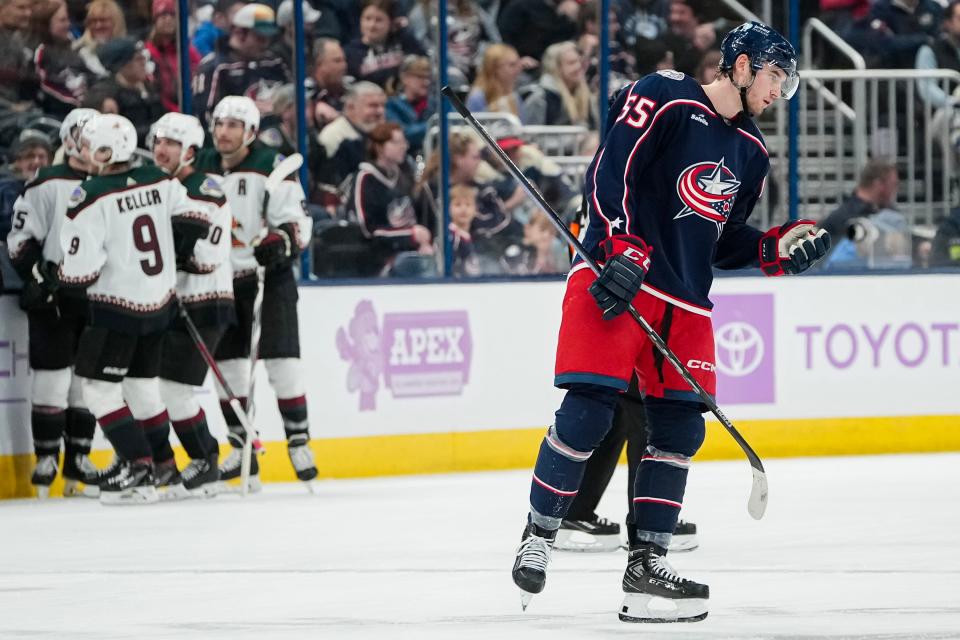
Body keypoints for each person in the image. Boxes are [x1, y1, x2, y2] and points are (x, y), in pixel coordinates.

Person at [510, 22, 830, 622]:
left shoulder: (752, 153)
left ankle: (646, 568)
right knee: (588, 413)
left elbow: (719, 238)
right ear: (739, 64)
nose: (777, 90)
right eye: (773, 76)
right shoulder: (666, 93)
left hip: (684, 300)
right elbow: (611, 170)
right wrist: (622, 244)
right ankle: (540, 533)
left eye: (784, 82)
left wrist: (771, 251)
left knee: (681, 430)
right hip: (614, 273)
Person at [59, 113, 207, 504]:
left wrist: (61, 278)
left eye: (92, 146)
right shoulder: (159, 180)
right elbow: (197, 216)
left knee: (98, 390)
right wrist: (174, 253)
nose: (86, 153)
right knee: (142, 390)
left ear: (108, 150)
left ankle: (138, 467)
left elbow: (79, 272)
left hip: (115, 308)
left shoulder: (89, 195)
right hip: (160, 304)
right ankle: (166, 469)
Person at [195, 96, 317, 489]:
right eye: (219, 124)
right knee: (228, 370)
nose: (224, 132)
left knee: (284, 366)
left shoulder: (271, 166)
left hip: (269, 276)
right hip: (221, 281)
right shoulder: (202, 168)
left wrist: (280, 241)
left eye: (233, 125)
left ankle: (299, 442)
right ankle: (240, 445)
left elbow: (299, 223)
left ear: (249, 132)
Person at [5, 109, 99, 499]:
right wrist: (37, 275)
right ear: (72, 140)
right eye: (89, 137)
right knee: (52, 378)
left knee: (85, 384)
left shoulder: (113, 184)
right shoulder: (46, 183)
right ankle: (47, 456)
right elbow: (20, 237)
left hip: (96, 296)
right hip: (54, 296)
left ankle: (80, 457)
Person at [149, 112, 234, 498]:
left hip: (206, 301)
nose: (161, 149)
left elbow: (203, 256)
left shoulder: (206, 186)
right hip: (173, 300)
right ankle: (200, 459)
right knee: (162, 388)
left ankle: (205, 459)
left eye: (171, 143)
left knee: (174, 389)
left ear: (191, 151)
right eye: (158, 141)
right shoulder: (161, 187)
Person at [344, 122, 433, 274]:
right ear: (379, 147)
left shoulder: (407, 174)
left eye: (404, 142)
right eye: (396, 142)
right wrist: (410, 235)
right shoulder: (365, 178)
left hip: (411, 251)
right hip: (376, 257)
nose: (404, 147)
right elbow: (366, 229)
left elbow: (426, 214)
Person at [192, 3, 289, 129]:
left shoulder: (273, 62)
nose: (265, 44)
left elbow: (293, 99)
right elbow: (205, 117)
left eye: (268, 39)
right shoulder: (215, 67)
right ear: (239, 33)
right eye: (259, 38)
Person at [91, 38, 165, 146]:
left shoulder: (149, 86)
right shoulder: (109, 94)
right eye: (138, 59)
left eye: (143, 57)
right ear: (122, 65)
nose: (144, 62)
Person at [316, 81, 386, 191]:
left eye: (382, 105)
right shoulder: (333, 136)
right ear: (350, 107)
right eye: (373, 106)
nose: (380, 111)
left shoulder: (380, 134)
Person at [819, 159, 899, 251]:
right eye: (894, 184)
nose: (896, 189)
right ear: (879, 185)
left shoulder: (891, 212)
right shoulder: (841, 218)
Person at [344, 0, 426, 89]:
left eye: (379, 20)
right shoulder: (350, 52)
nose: (372, 25)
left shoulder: (403, 42)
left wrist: (403, 32)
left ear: (391, 22)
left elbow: (423, 62)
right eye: (367, 18)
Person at [145, 0, 201, 113]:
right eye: (163, 15)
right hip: (163, 112)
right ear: (155, 20)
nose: (168, 19)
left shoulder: (188, 50)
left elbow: (198, 78)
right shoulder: (148, 52)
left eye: (172, 15)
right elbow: (154, 91)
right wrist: (177, 111)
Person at [523, 41, 597, 127]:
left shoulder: (586, 96)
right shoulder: (541, 98)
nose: (578, 67)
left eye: (579, 61)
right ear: (555, 68)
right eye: (571, 63)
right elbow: (531, 136)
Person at [385, 55, 434, 155]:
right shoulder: (392, 105)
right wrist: (435, 124)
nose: (426, 82)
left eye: (428, 77)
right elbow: (403, 134)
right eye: (420, 77)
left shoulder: (435, 103)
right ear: (405, 78)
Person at [466, 44, 526, 121]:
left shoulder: (515, 97)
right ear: (494, 68)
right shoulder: (477, 97)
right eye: (512, 65)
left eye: (518, 64)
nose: (518, 70)